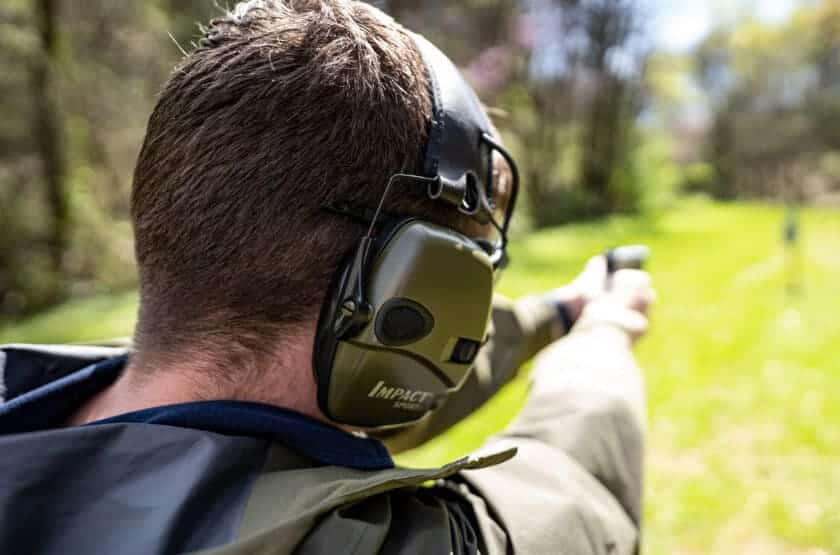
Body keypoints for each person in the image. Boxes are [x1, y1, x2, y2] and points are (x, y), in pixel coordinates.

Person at [0, 2, 654, 553]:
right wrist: (604, 331)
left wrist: (560, 311)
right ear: (419, 286)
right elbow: (575, 479)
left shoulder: (42, 405)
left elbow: (351, 382)